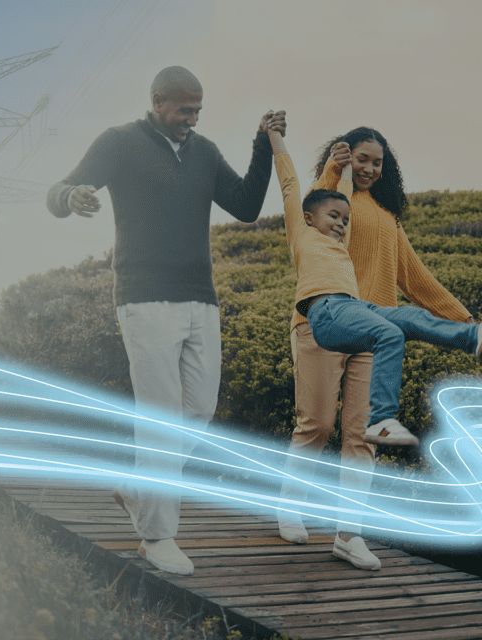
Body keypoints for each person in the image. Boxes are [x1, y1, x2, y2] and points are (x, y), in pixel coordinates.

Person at [46, 66, 286, 575]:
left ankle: (136, 486)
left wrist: (262, 146)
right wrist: (72, 198)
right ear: (157, 101)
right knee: (160, 419)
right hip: (144, 297)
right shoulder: (119, 143)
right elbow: (60, 190)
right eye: (184, 110)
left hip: (201, 297)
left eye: (198, 110)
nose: (192, 119)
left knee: (198, 409)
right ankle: (157, 537)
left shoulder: (203, 152)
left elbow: (244, 206)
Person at [268, 123, 476, 571]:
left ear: (387, 168)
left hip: (374, 330)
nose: (368, 168)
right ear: (346, 158)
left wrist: (464, 319)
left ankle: (348, 533)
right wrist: (332, 168)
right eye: (361, 158)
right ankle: (290, 503)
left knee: (363, 438)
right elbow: (314, 207)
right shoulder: (331, 198)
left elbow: (416, 278)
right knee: (317, 425)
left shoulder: (386, 215)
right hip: (321, 323)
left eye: (376, 162)